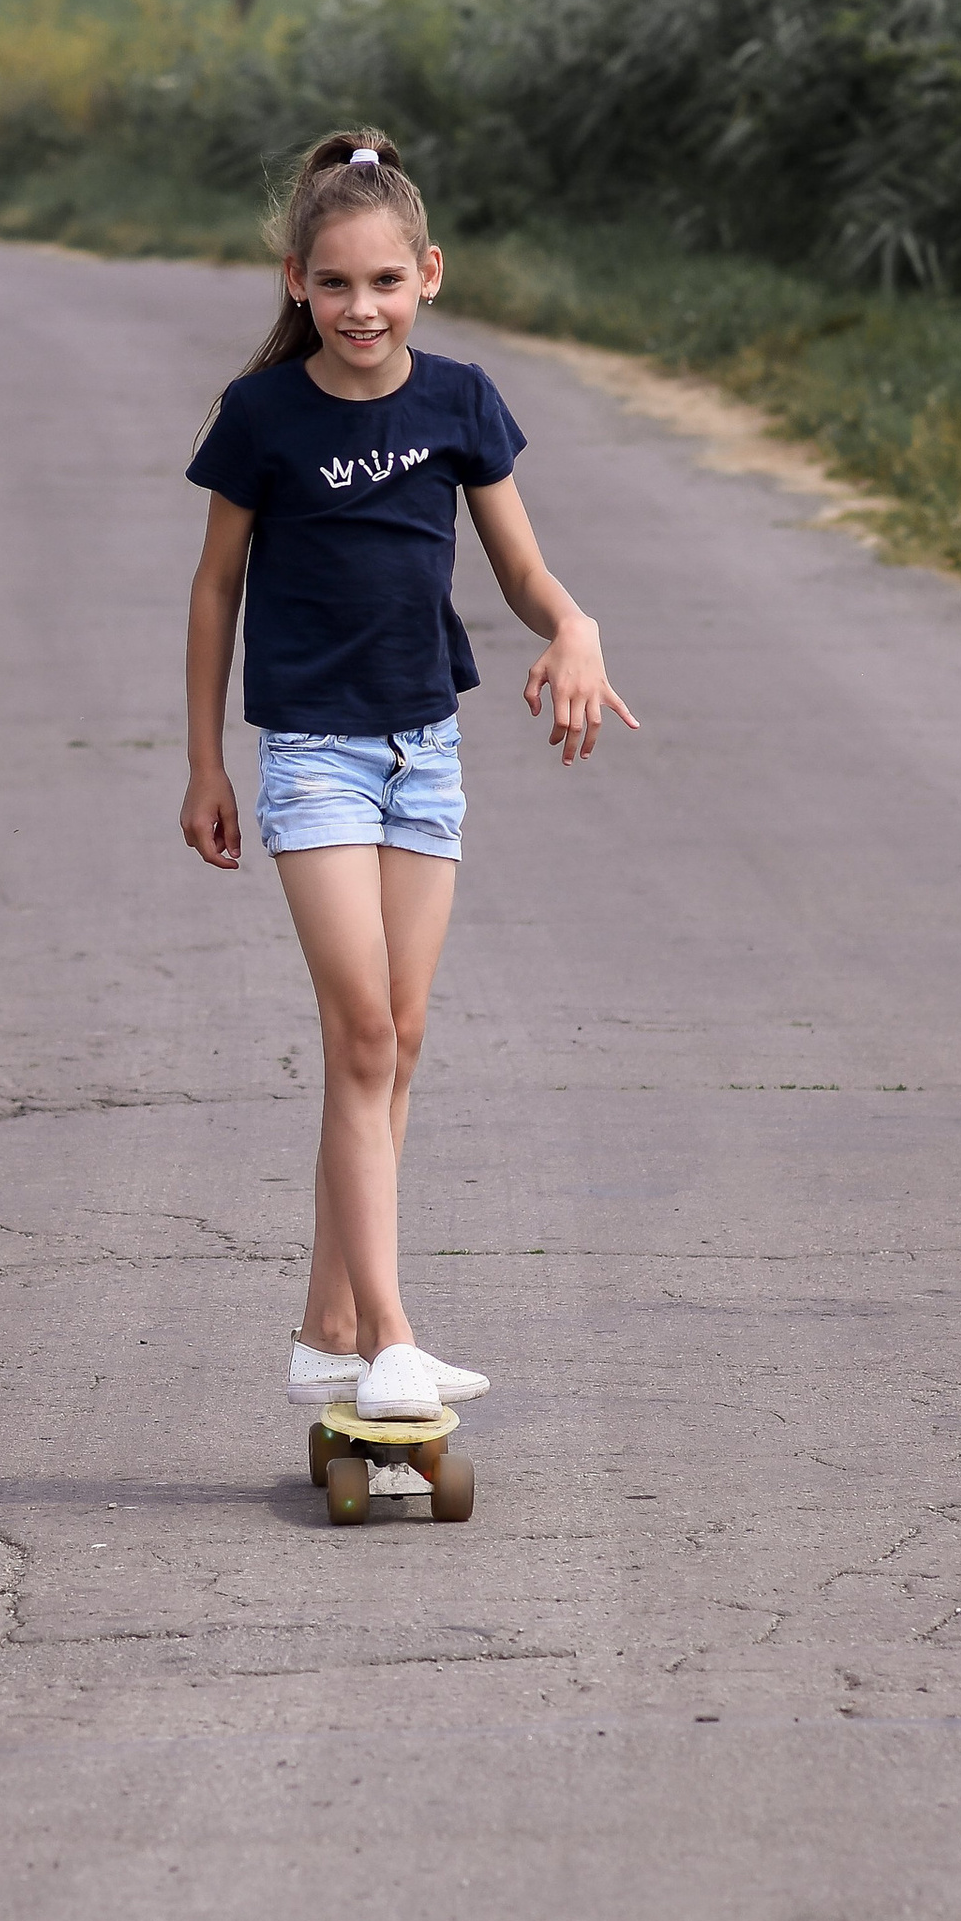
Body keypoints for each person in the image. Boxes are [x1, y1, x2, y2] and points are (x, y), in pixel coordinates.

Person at [180, 127, 637, 1429]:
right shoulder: (261, 416)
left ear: (427, 275)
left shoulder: (461, 402)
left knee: (398, 1040)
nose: (361, 308)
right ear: (295, 285)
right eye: (337, 285)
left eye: (385, 282)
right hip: (314, 758)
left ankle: (329, 1331)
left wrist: (577, 626)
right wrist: (207, 760)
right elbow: (215, 592)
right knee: (364, 1032)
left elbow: (522, 571)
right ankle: (391, 1336)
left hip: (421, 752)